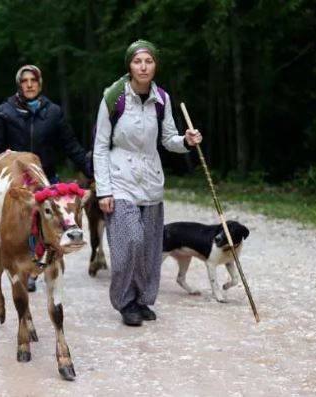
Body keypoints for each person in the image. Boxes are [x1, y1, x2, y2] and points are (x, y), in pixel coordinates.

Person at [93, 40, 203, 326]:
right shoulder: (113, 97)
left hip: (151, 180)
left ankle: (142, 300)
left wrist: (187, 142)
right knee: (129, 240)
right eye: (137, 61)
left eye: (149, 61)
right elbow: (101, 146)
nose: (143, 66)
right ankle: (125, 301)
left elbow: (168, 140)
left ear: (155, 65)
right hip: (120, 179)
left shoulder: (161, 99)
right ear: (129, 65)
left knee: (150, 246)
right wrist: (103, 190)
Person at [0, 64, 91, 292]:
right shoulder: (5, 112)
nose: (29, 84)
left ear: (40, 83)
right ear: (19, 85)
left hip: (47, 179)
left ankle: (46, 263)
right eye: (25, 81)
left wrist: (92, 171)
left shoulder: (53, 112)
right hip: (18, 183)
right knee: (22, 228)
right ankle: (28, 269)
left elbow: (71, 145)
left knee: (50, 224)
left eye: (33, 80)